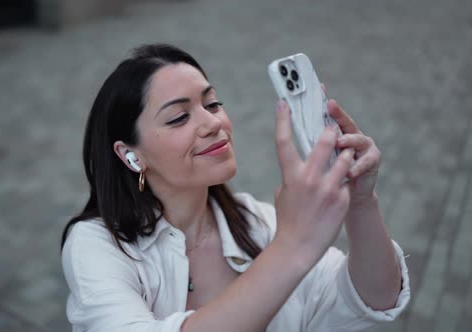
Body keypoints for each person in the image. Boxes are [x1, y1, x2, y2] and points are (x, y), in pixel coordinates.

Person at [60, 44, 410, 332]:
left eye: (212, 104)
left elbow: (375, 298)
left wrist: (361, 202)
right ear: (130, 155)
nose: (213, 123)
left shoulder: (258, 221)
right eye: (179, 117)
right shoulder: (97, 245)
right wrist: (292, 246)